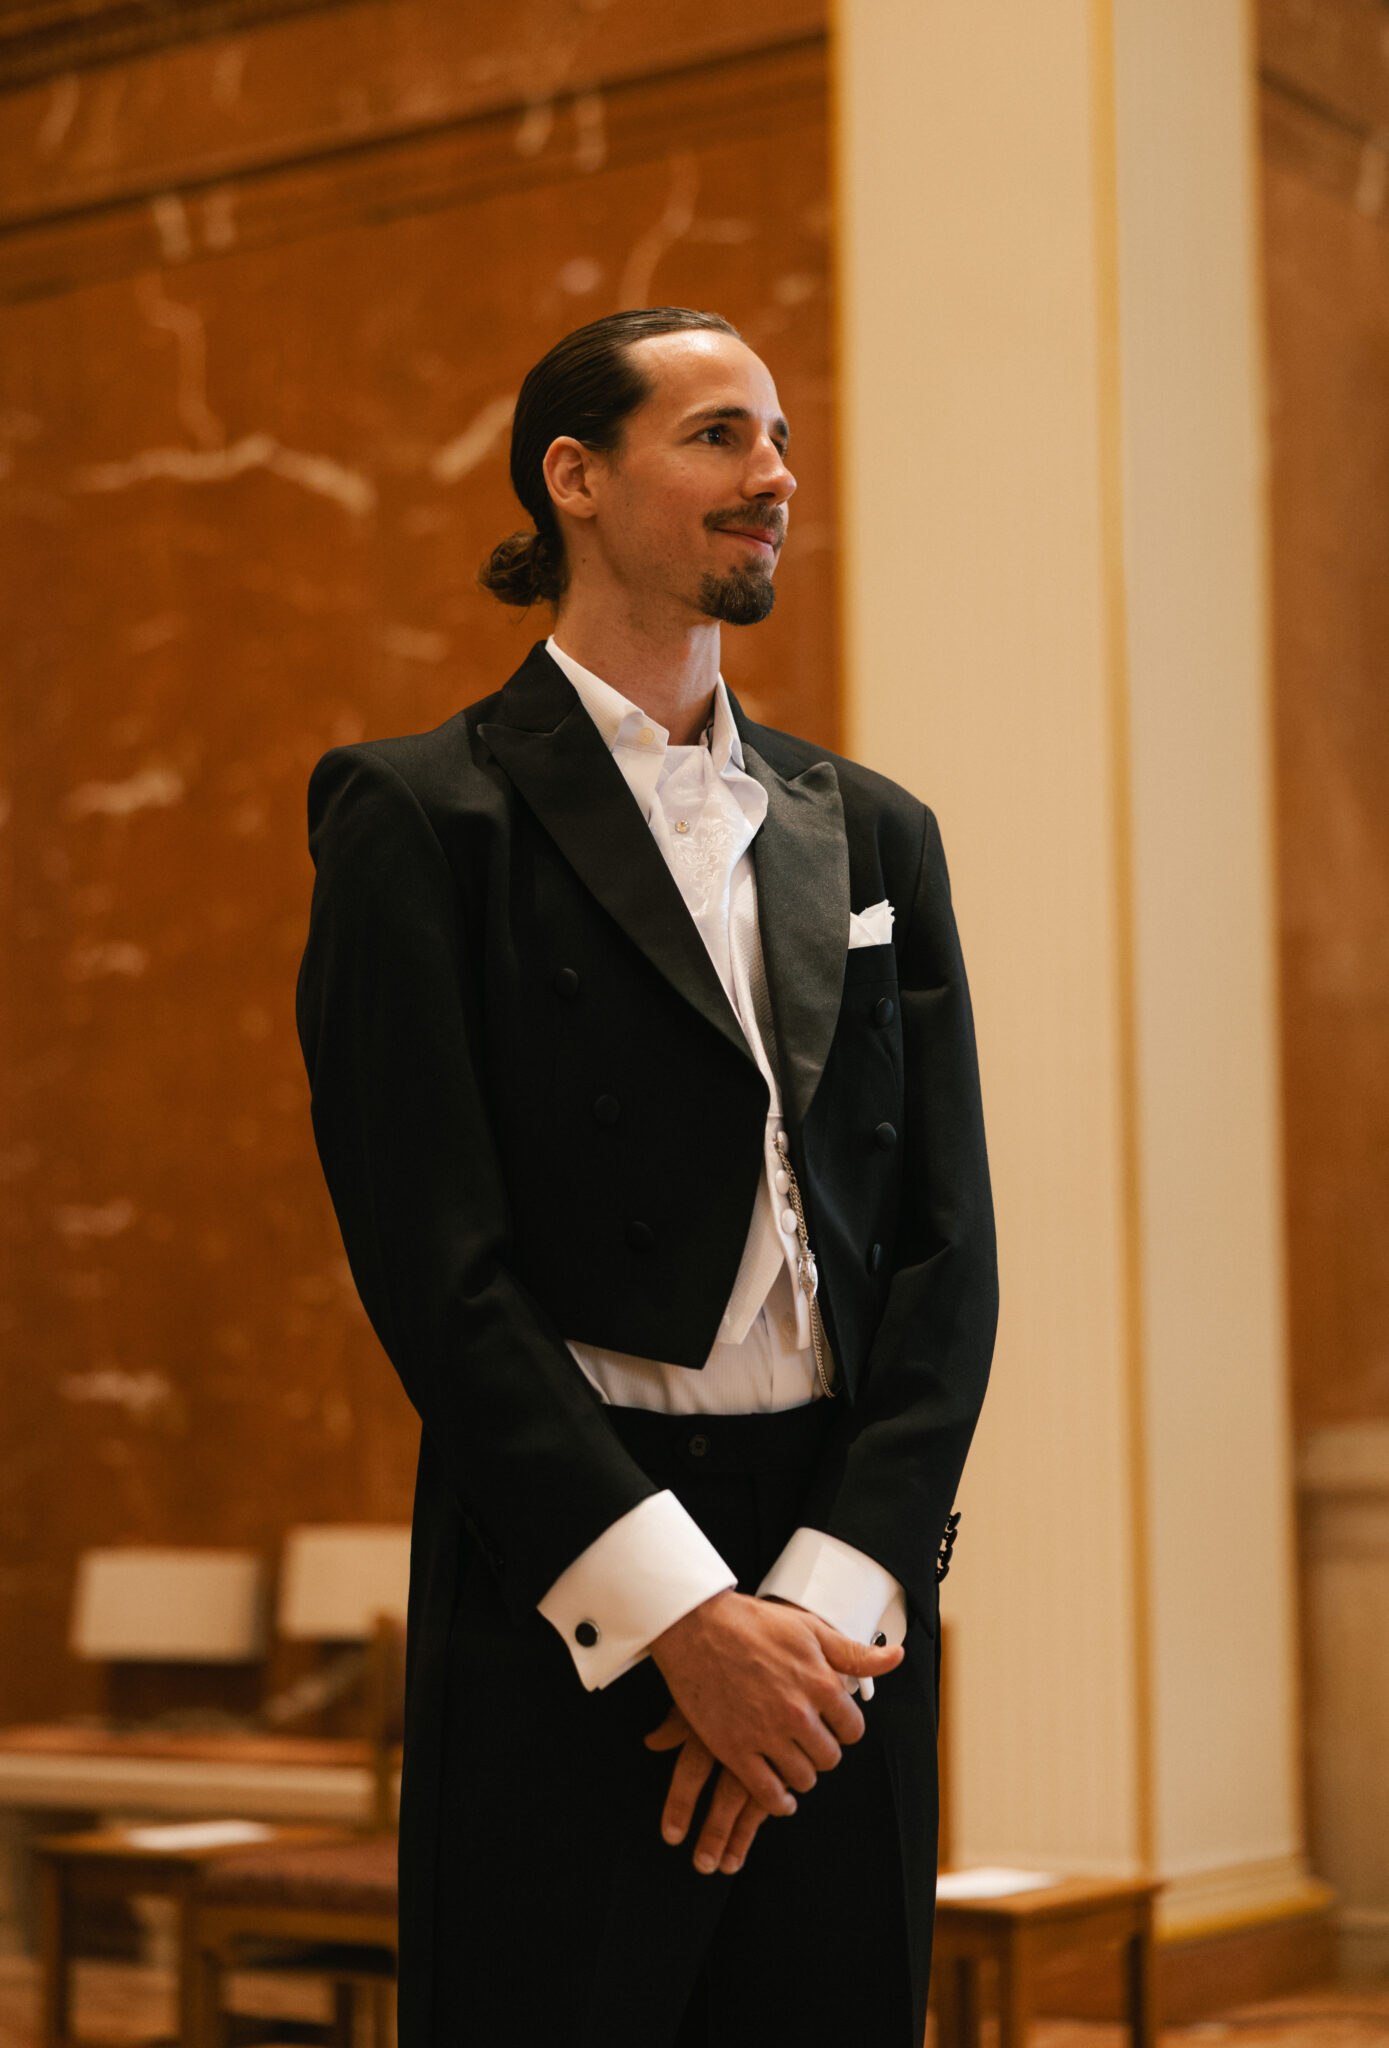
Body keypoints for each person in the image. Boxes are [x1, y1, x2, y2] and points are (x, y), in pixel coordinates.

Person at [296, 306, 997, 2047]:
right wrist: (680, 1619)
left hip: (839, 1601)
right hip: (576, 1579)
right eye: (717, 435)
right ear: (575, 477)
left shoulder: (875, 830)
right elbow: (436, 1271)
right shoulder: (420, 816)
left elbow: (946, 1250)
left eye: (779, 440)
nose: (774, 476)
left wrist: (821, 1602)